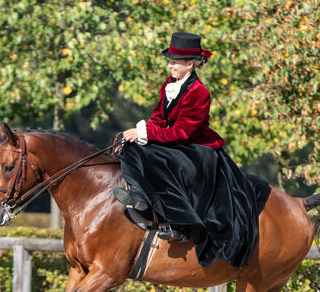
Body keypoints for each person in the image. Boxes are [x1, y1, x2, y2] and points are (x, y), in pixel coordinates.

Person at [115, 32, 271, 268]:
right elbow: (158, 118)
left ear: (190, 63)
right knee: (132, 149)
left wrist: (145, 134)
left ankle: (178, 224)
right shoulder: (169, 85)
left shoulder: (199, 92)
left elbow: (182, 132)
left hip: (196, 150)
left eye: (175, 62)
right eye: (170, 61)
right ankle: (141, 196)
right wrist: (138, 132)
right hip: (176, 142)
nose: (170, 66)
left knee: (161, 160)